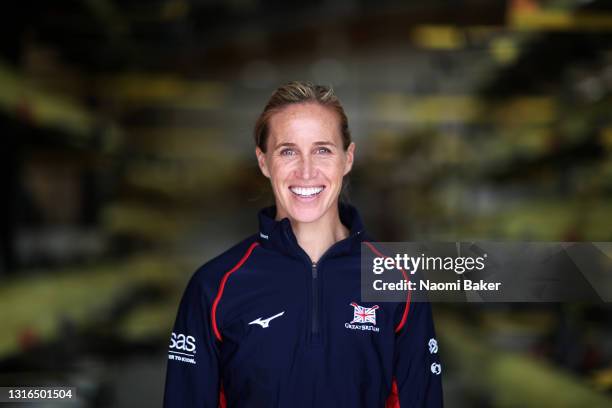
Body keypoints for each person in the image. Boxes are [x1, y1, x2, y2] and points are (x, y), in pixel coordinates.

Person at [163, 81, 443, 407]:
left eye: (322, 150)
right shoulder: (214, 286)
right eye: (288, 151)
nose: (306, 171)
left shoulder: (399, 281)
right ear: (264, 161)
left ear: (348, 159)